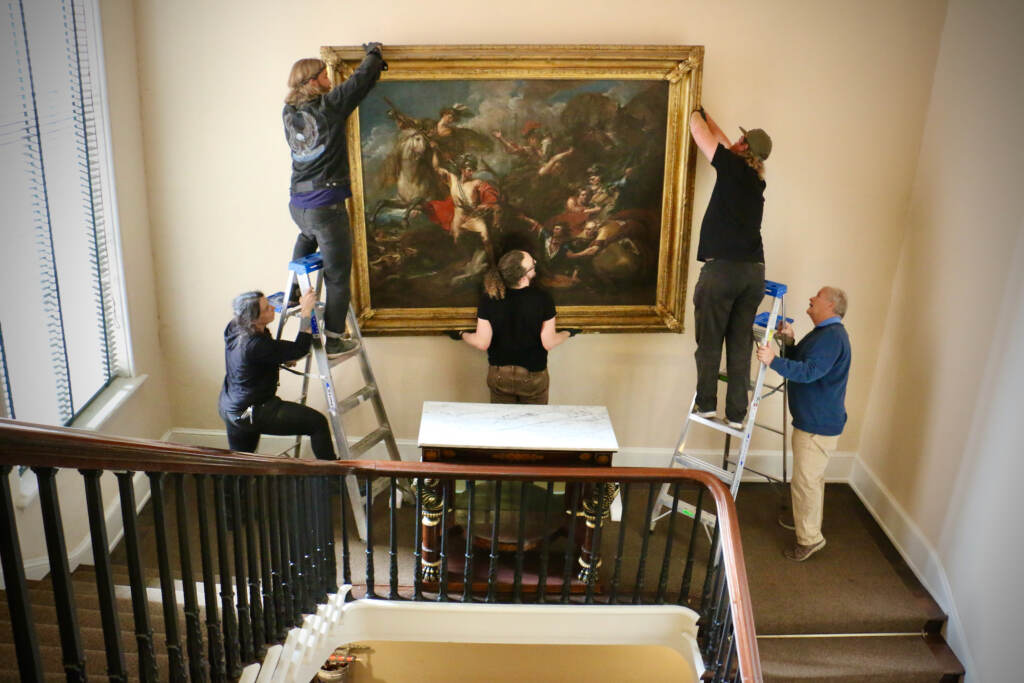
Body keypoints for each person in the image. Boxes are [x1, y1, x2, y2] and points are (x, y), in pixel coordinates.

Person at [283, 43, 387, 356]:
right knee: (338, 276)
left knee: (306, 237)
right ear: (314, 81)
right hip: (326, 207)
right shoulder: (329, 107)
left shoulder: (288, 112)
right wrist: (374, 54)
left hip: (298, 205)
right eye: (325, 74)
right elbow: (358, 83)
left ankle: (294, 292)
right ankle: (334, 338)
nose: (331, 78)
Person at [688, 105, 772, 429]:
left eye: (741, 139)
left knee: (710, 341)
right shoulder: (753, 178)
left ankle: (706, 404)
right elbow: (721, 140)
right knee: (739, 345)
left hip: (723, 271)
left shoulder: (732, 168)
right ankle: (737, 415)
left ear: (745, 147)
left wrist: (695, 109)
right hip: (753, 274)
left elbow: (700, 134)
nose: (736, 141)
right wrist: (711, 118)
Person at [756, 287, 852, 561]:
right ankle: (808, 527)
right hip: (815, 421)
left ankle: (809, 539)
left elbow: (810, 373)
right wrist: (788, 343)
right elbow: (806, 362)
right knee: (810, 481)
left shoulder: (832, 337)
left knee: (805, 483)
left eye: (817, 296)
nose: (811, 298)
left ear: (830, 306)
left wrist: (774, 360)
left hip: (816, 425)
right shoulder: (825, 334)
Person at [218, 288, 336, 460]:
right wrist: (306, 311)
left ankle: (237, 486)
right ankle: (333, 480)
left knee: (242, 460)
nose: (272, 308)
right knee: (317, 423)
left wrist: (277, 356)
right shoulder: (255, 344)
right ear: (253, 319)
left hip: (231, 406)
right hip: (252, 412)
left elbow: (252, 358)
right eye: (267, 308)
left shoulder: (235, 326)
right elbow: (299, 349)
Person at [448, 250, 578, 404]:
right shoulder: (542, 299)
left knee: (504, 426)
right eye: (532, 263)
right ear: (524, 274)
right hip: (532, 376)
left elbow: (482, 342)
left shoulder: (489, 298)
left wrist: (462, 333)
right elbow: (548, 342)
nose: (535, 263)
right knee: (535, 425)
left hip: (499, 376)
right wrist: (568, 332)